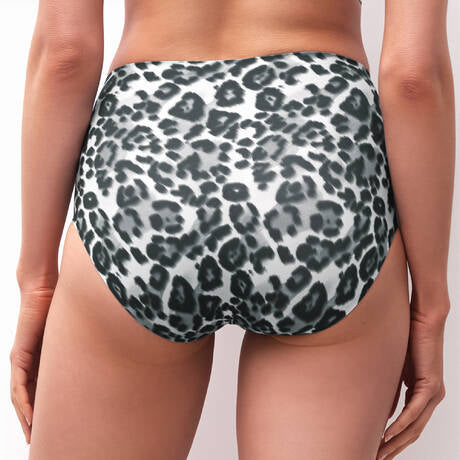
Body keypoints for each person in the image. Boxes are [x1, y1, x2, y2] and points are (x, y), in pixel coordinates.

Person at [10, 0, 454, 459]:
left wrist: (37, 282)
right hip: (318, 173)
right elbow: (413, 77)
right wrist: (430, 307)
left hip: (145, 170)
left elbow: (66, 53)